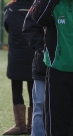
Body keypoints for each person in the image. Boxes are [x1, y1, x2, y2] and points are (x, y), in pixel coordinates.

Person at [28, 0, 73, 135]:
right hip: (58, 71)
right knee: (57, 125)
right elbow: (36, 21)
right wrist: (43, 49)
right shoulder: (49, 3)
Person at [3, 0, 34, 135]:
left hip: (16, 54)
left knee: (16, 88)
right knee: (34, 91)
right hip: (34, 53)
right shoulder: (37, 7)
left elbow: (8, 27)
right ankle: (32, 125)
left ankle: (19, 125)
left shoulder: (9, 9)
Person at [22, 11, 46, 136]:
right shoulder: (40, 4)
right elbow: (28, 27)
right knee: (40, 106)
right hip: (43, 67)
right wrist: (42, 48)